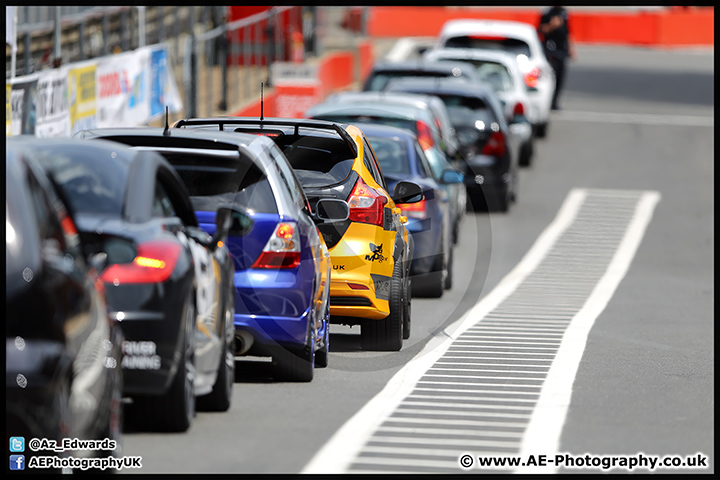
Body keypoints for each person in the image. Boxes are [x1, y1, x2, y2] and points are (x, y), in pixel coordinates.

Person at [538, 6, 574, 110]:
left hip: (562, 50)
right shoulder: (547, 12)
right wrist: (552, 26)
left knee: (560, 78)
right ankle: (547, 103)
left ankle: (554, 103)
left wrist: (571, 48)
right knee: (550, 78)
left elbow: (567, 31)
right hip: (551, 51)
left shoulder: (564, 12)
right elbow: (540, 30)